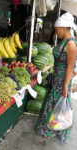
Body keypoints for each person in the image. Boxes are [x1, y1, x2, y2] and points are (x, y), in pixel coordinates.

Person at [35, 12, 77, 144]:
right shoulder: (64, 41)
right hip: (57, 78)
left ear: (64, 28)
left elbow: (71, 67)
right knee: (52, 105)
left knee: (58, 107)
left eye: (57, 29)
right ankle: (50, 129)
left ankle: (54, 131)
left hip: (62, 81)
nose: (56, 31)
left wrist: (65, 87)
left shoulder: (71, 45)